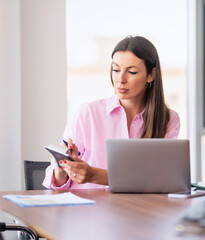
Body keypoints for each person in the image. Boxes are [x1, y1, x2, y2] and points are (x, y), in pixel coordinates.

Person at [43, 36, 180, 189]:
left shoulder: (168, 119)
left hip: (138, 210)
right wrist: (62, 171)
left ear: (151, 75)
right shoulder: (87, 113)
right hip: (87, 209)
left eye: (132, 72)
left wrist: (94, 175)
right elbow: (55, 183)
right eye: (115, 69)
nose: (120, 79)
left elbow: (160, 178)